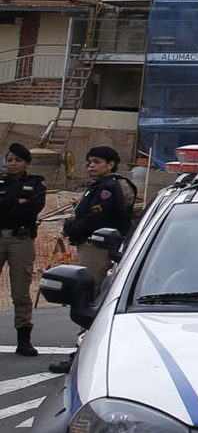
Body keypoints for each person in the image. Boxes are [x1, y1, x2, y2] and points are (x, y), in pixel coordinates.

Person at [51, 145, 134, 374]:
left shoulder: (109, 188)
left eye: (97, 162)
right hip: (91, 245)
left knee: (88, 300)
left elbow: (97, 219)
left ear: (111, 164)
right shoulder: (98, 187)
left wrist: (71, 227)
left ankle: (82, 354)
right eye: (89, 162)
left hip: (98, 247)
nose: (91, 166)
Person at [1, 143, 46, 357]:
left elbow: (31, 210)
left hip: (20, 239)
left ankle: (24, 339)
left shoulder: (35, 184)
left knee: (20, 292)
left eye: (17, 160)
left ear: (27, 163)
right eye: (9, 159)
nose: (12, 164)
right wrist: (15, 200)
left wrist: (8, 205)